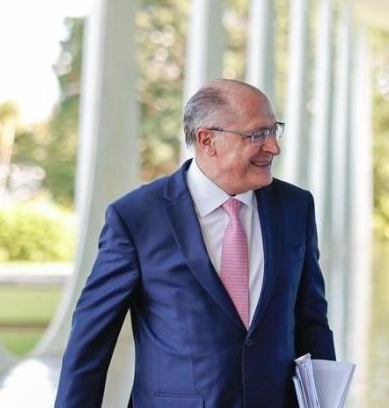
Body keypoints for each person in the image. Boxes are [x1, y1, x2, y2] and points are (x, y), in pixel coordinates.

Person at [56, 79, 335, 407]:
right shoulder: (136, 217)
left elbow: (311, 321)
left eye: (274, 131)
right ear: (207, 140)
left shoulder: (295, 207)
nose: (274, 147)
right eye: (258, 135)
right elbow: (91, 343)